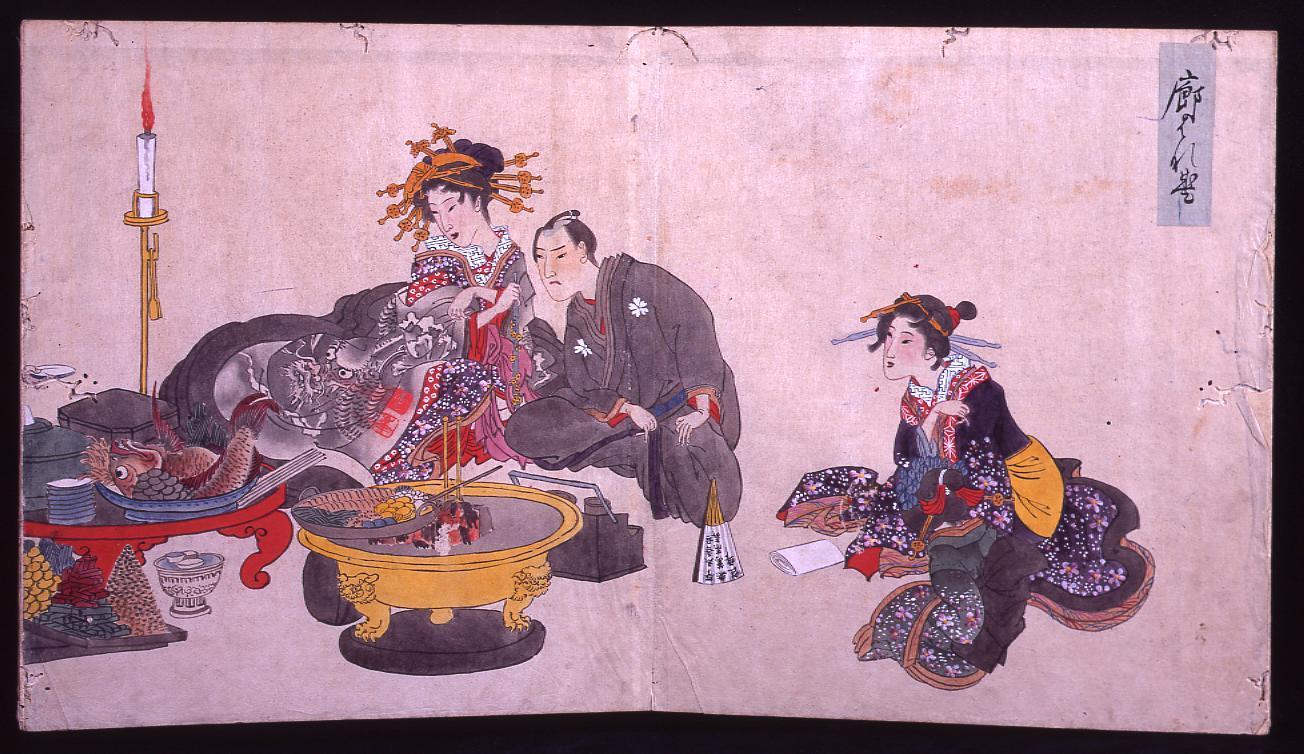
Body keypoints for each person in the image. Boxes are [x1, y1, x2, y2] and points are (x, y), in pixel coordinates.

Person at [776, 292, 1153, 689]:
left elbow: (983, 470)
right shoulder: (919, 393)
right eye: (888, 337)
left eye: (904, 340)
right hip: (952, 476)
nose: (889, 350)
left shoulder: (979, 391)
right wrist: (933, 420)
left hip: (1017, 484)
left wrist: (932, 496)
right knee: (891, 509)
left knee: (988, 558)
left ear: (931, 350)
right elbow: (905, 454)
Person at [504, 210, 742, 527]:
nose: (548, 271)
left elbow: (695, 328)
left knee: (714, 500)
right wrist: (627, 409)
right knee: (525, 428)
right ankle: (640, 449)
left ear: (582, 250)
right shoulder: (577, 312)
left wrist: (701, 408)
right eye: (540, 258)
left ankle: (643, 450)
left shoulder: (642, 279)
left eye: (559, 255)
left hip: (680, 410)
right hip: (624, 417)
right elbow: (582, 385)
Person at [368, 132, 548, 484]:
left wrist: (481, 297)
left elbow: (521, 315)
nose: (445, 222)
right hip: (443, 360)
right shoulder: (435, 255)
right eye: (436, 213)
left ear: (477, 201)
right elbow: (430, 324)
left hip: (506, 360)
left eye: (452, 207)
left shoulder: (511, 254)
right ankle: (406, 461)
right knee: (456, 378)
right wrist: (489, 303)